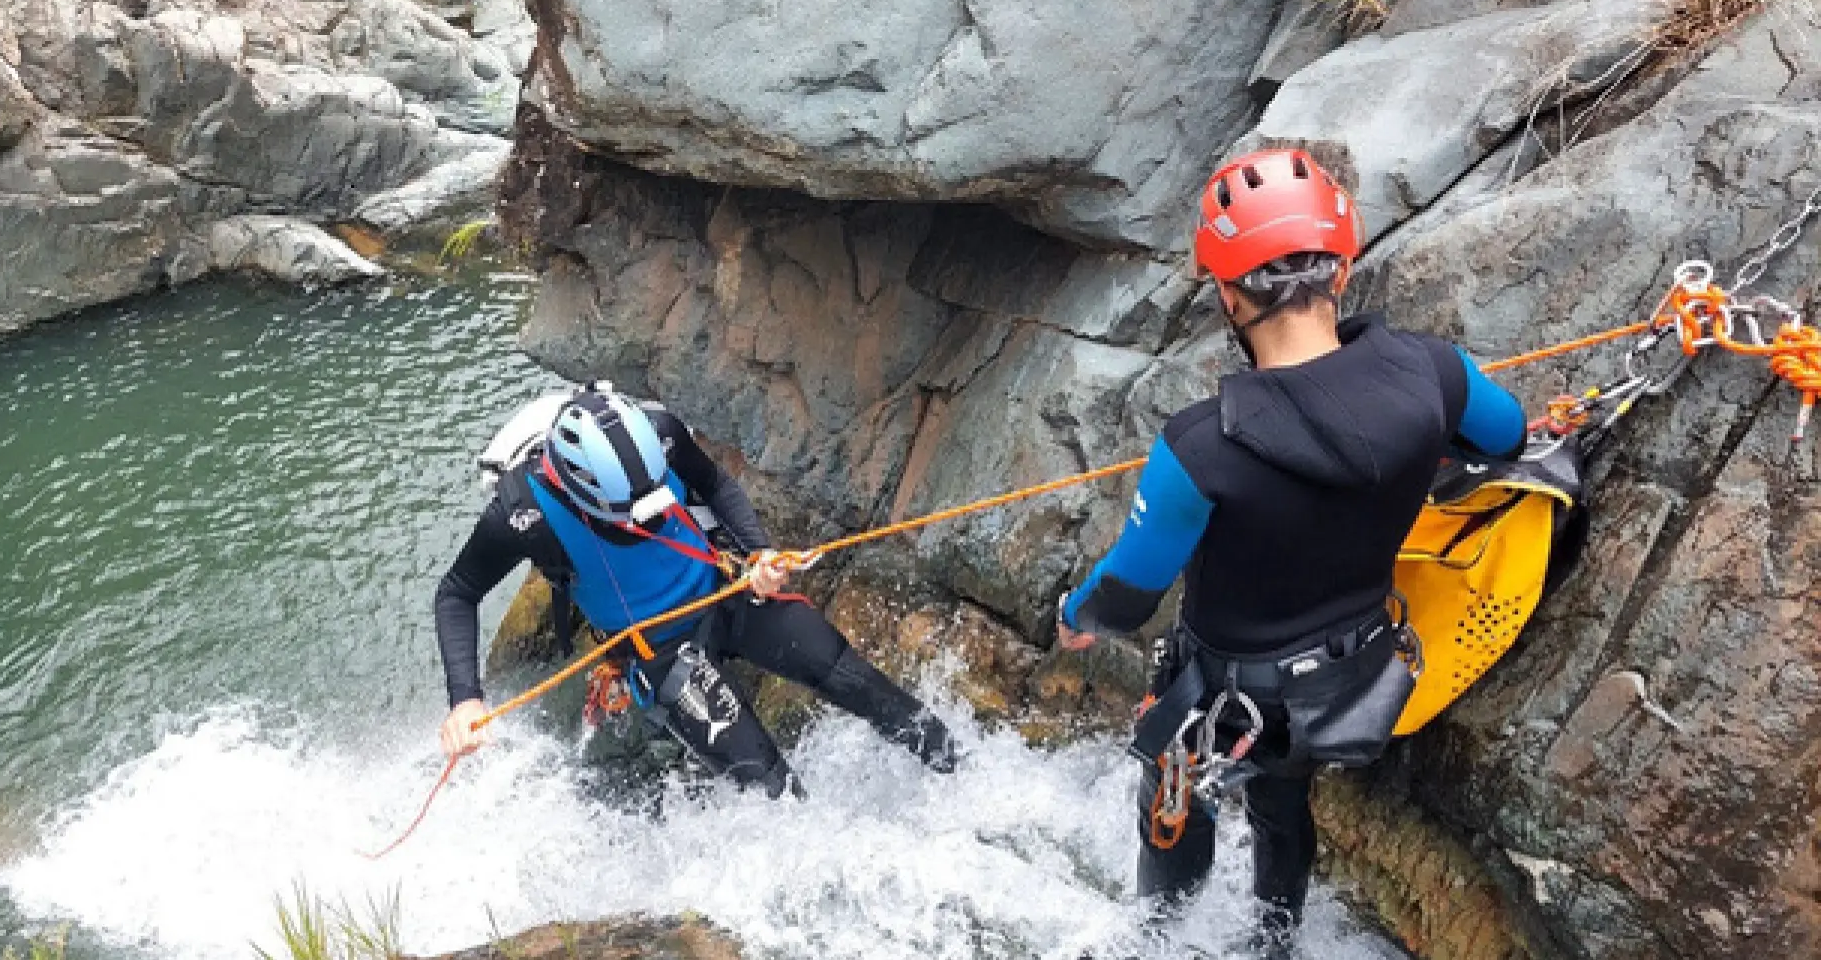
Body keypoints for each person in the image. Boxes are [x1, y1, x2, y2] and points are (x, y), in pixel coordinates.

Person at [1056, 149, 1527, 955]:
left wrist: (1074, 616)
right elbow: (1506, 436)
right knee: (1282, 806)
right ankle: (1276, 942)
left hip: (1223, 693)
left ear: (1229, 295)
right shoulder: (1436, 373)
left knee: (1175, 802)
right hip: (1348, 674)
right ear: (1339, 271)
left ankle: (1160, 939)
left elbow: (1127, 594)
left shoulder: (1201, 449)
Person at [433, 382, 959, 797]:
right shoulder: (521, 516)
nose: (647, 519)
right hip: (659, 651)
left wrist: (759, 553)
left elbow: (715, 485)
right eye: (632, 512)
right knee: (770, 790)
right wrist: (465, 700)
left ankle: (959, 768)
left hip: (728, 593)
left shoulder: (661, 432)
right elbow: (457, 593)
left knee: (860, 684)